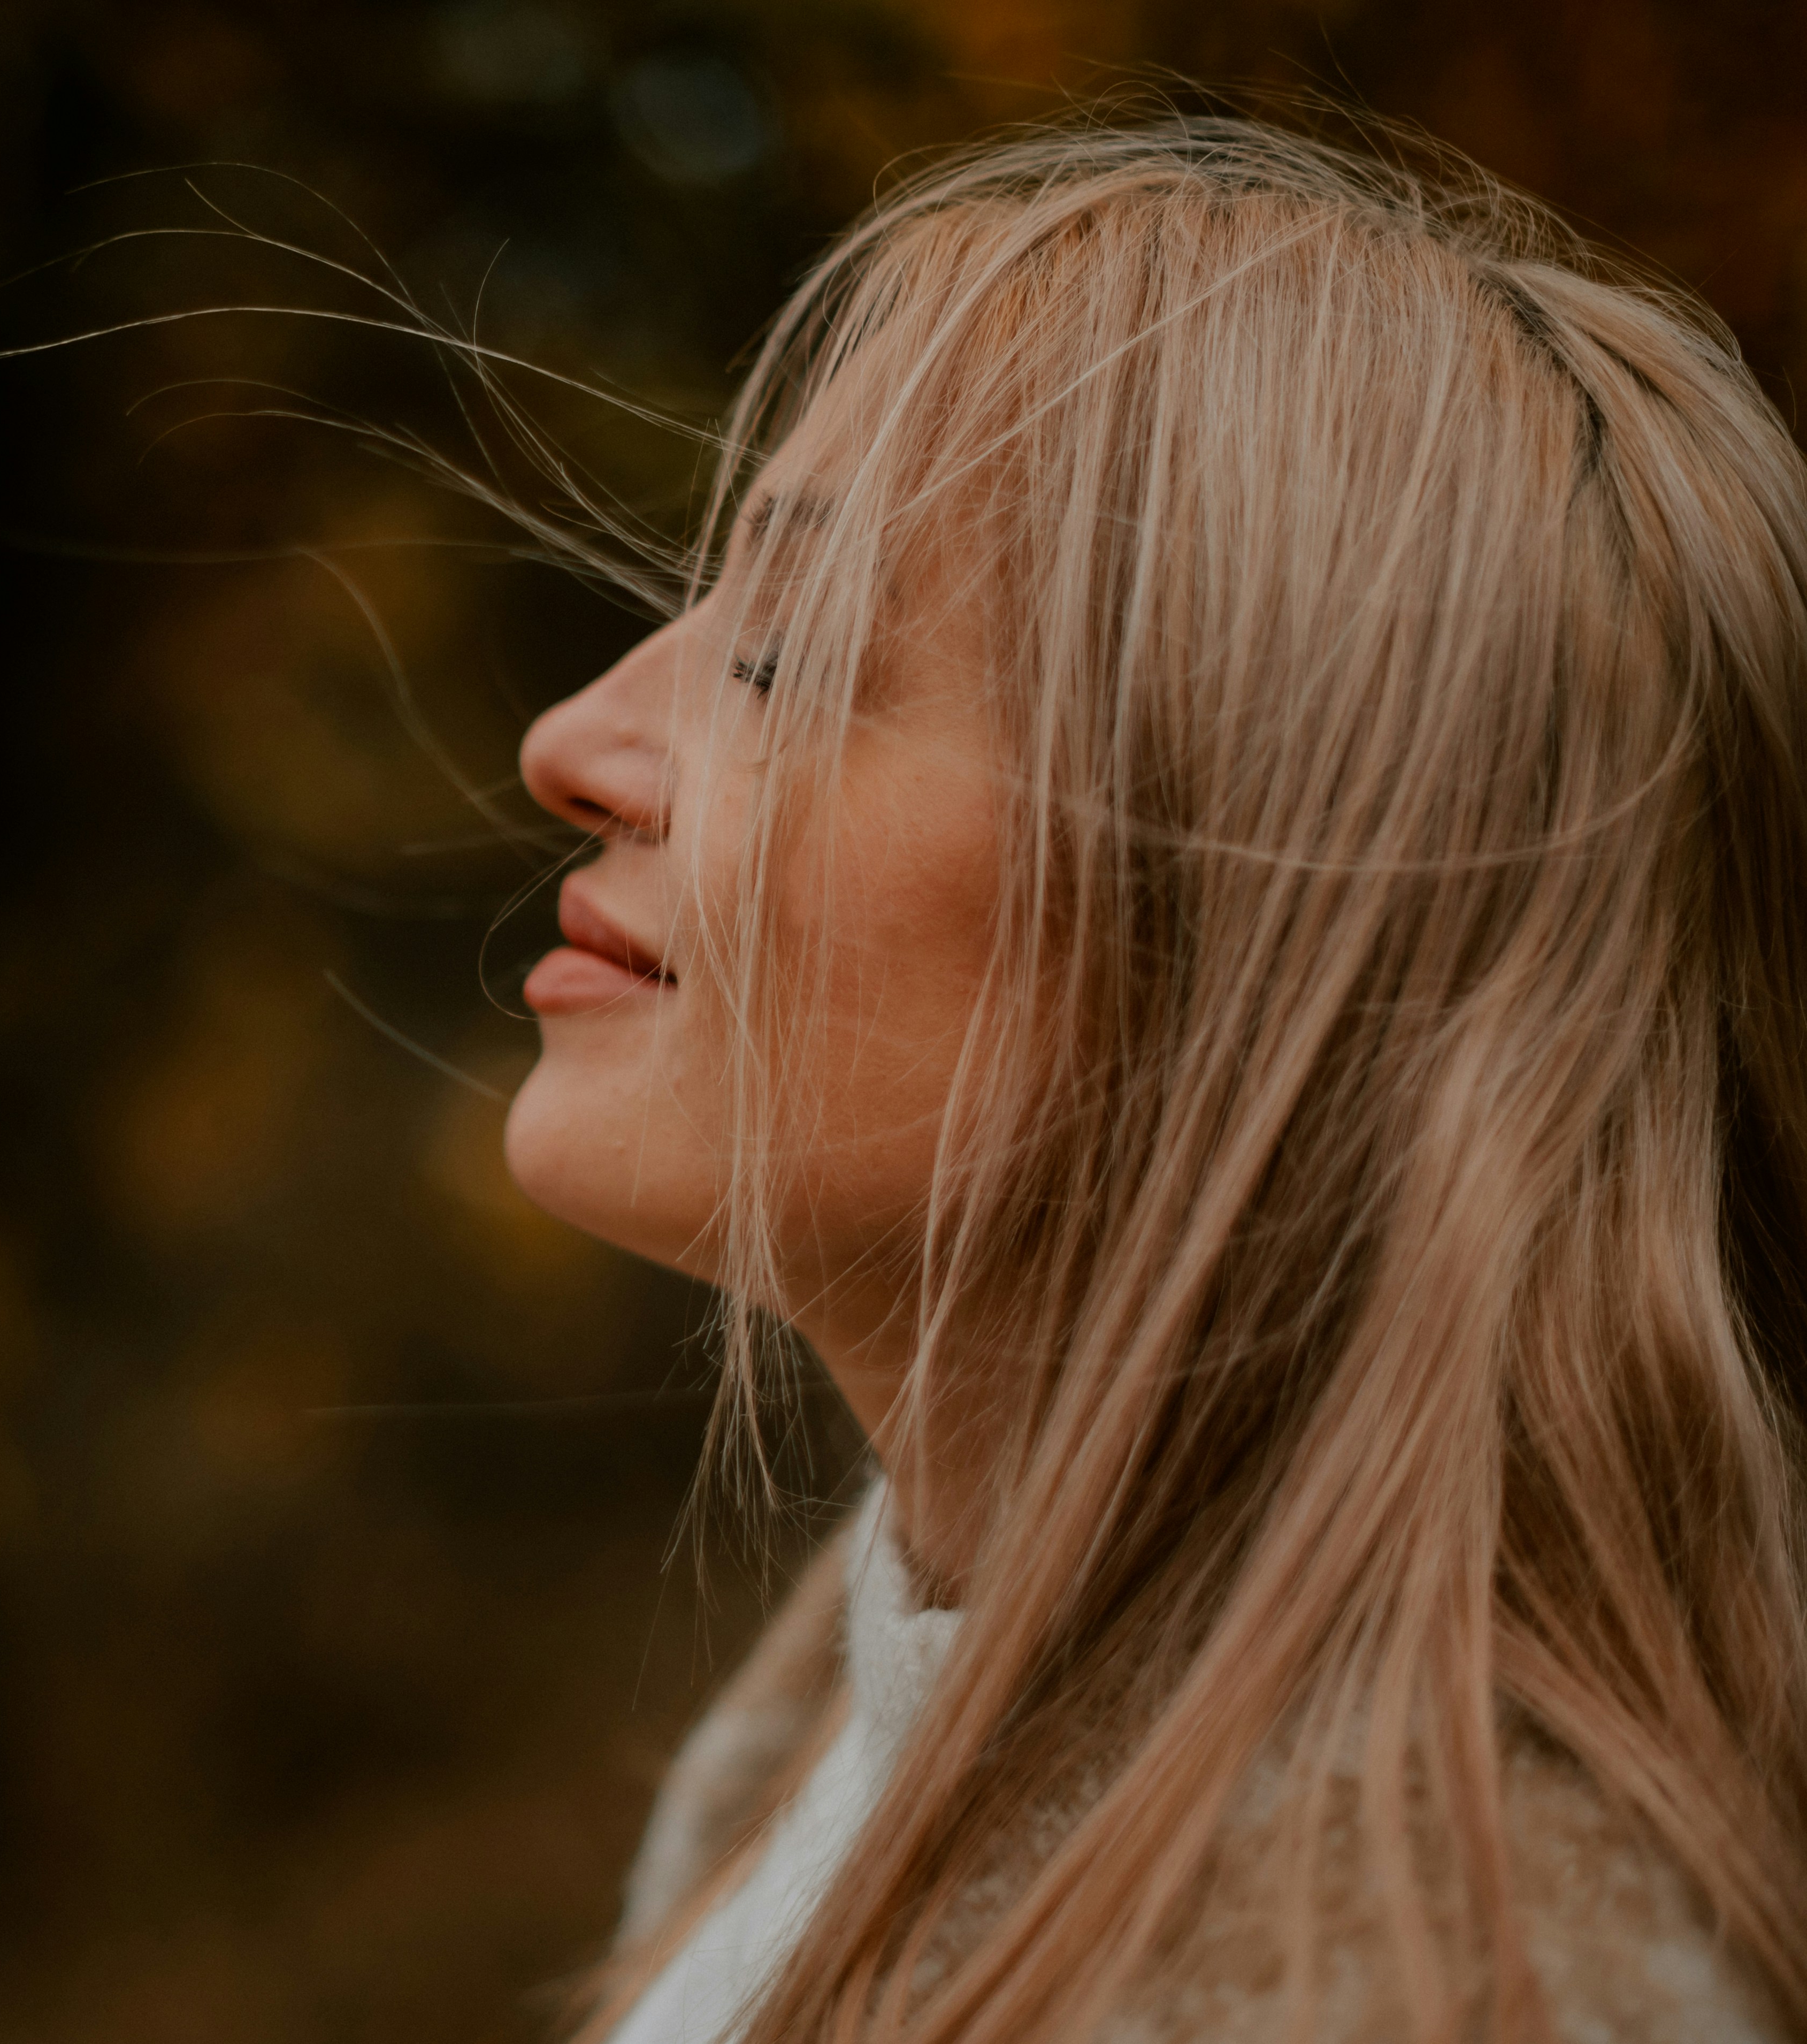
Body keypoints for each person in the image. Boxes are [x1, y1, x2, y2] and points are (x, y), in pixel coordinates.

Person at [502, 115, 1807, 2043]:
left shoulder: (1457, 1994)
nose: (573, 740)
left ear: (1253, 924)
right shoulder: (852, 1729)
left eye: (790, 653)